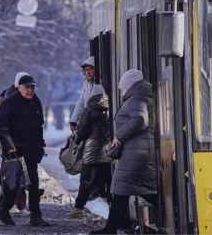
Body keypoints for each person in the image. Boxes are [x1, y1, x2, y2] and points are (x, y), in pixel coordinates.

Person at [90, 69, 157, 235]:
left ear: (129, 87)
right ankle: (111, 228)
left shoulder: (137, 98)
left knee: (122, 189)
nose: (122, 92)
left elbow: (140, 120)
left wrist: (119, 135)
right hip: (137, 150)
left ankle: (110, 229)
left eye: (123, 89)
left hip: (136, 152)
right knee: (133, 189)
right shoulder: (139, 97)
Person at [0, 75, 50, 226]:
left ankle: (36, 216)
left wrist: (40, 145)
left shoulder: (36, 101)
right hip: (15, 151)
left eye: (32, 87)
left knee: (33, 184)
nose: (30, 90)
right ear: (19, 87)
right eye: (27, 87)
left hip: (31, 151)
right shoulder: (9, 102)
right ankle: (3, 209)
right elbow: (0, 126)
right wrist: (9, 145)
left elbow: (39, 126)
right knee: (14, 186)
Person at [0, 72, 32, 217]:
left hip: (16, 144)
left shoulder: (13, 96)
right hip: (12, 144)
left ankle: (15, 204)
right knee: (16, 175)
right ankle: (13, 204)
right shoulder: (13, 99)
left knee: (16, 175)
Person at [66, 85, 112, 218]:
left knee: (86, 182)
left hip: (90, 152)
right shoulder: (110, 108)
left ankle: (79, 208)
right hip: (107, 152)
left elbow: (81, 130)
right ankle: (115, 209)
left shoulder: (88, 109)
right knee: (109, 181)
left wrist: (77, 140)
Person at [70, 56, 101, 201]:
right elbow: (81, 102)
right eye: (86, 70)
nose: (88, 72)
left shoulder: (100, 84)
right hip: (88, 124)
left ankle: (92, 190)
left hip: (97, 126)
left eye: (91, 69)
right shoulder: (86, 84)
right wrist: (73, 120)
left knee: (90, 159)